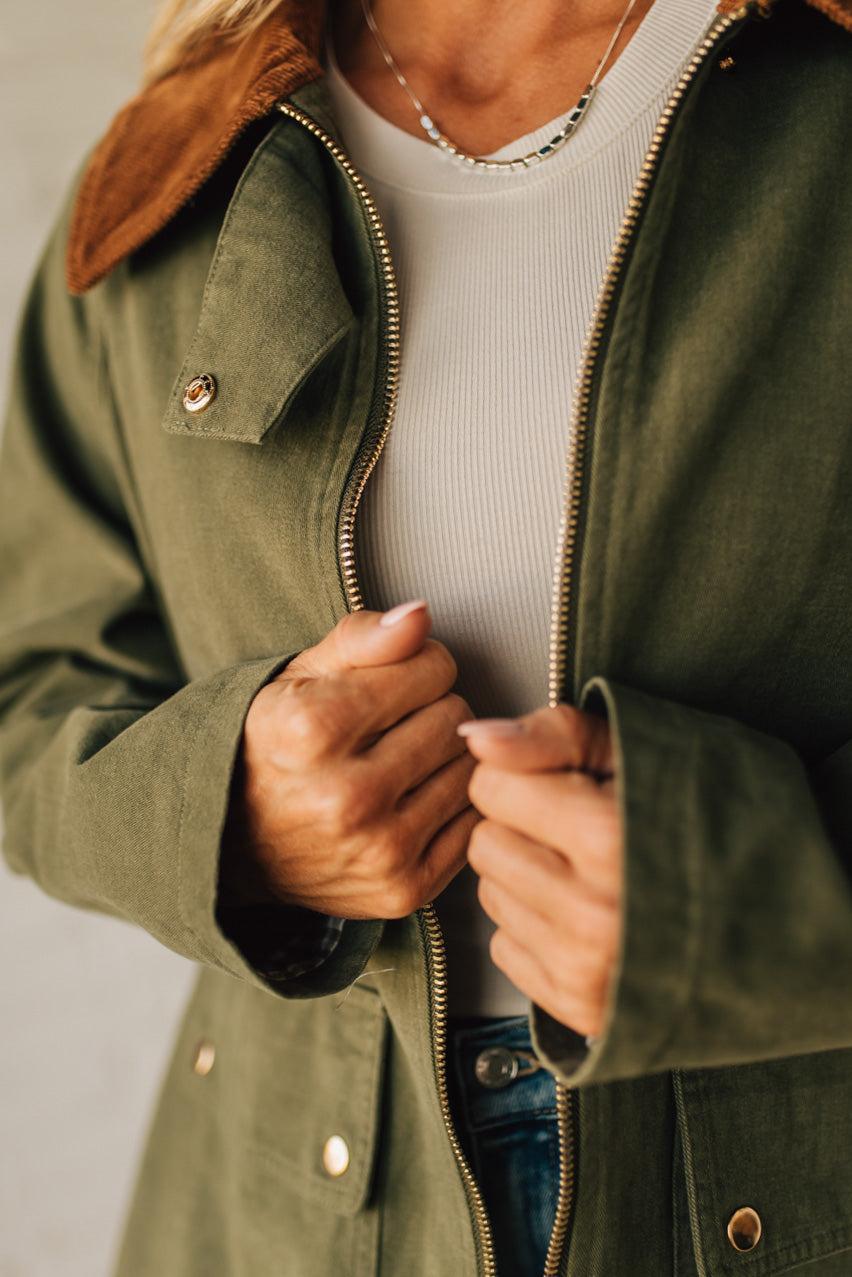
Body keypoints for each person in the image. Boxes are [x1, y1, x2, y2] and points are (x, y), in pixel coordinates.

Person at [0, 0, 850, 1273]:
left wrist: (763, 890)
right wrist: (217, 808)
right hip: (281, 1211)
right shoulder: (182, 158)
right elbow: (28, 684)